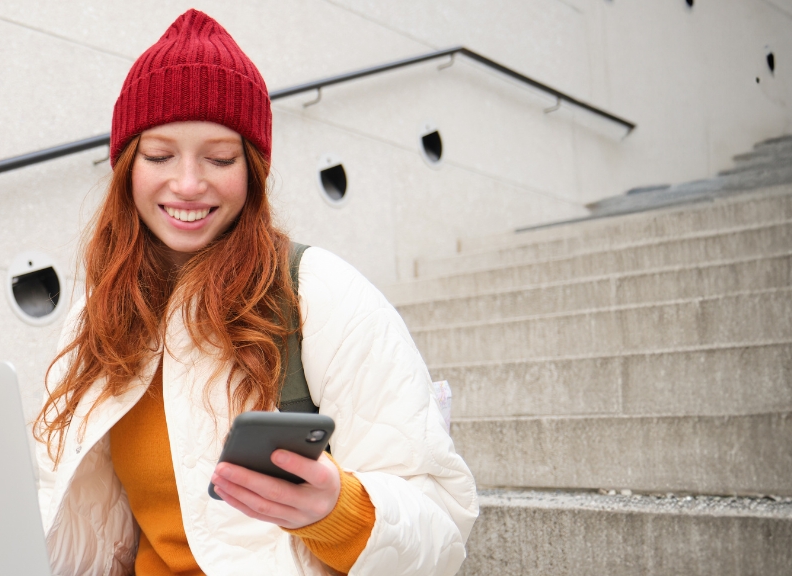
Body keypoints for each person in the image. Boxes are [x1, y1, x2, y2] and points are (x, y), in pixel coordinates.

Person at [33, 10, 478, 576]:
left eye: (219, 158)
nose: (188, 184)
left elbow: (441, 525)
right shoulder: (95, 320)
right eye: (160, 155)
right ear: (126, 167)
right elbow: (74, 520)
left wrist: (337, 509)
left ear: (252, 170)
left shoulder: (318, 292)